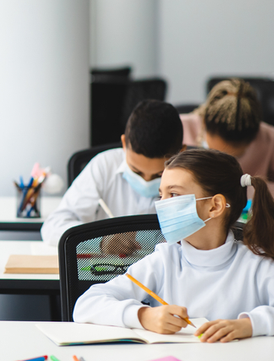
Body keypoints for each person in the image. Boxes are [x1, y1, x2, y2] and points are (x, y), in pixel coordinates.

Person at [74, 149, 274, 361]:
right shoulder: (163, 260)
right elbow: (86, 305)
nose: (161, 205)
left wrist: (249, 325)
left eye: (174, 195)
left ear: (215, 206)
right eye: (161, 195)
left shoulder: (255, 264)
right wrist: (143, 315)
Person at [42, 100, 184, 249]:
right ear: (124, 144)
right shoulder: (104, 166)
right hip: (106, 269)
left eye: (159, 175)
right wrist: (100, 240)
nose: (146, 181)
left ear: (181, 153)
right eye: (136, 171)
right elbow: (53, 225)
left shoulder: (195, 180)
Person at [181, 78, 274, 202]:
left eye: (236, 156)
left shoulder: (268, 136)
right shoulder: (179, 128)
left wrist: (246, 189)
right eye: (217, 153)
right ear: (205, 124)